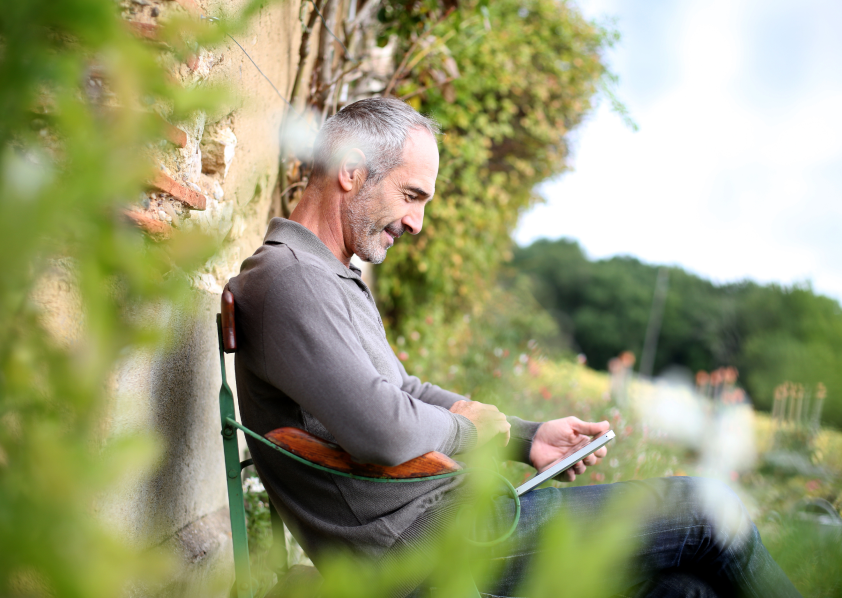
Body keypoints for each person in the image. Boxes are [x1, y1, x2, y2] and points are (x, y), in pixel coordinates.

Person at [227, 97, 801, 597]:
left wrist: (527, 438)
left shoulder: (326, 276)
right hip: (419, 551)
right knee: (705, 509)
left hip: (441, 523)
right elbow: (383, 429)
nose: (418, 221)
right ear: (351, 171)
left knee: (686, 590)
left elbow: (401, 391)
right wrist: (474, 431)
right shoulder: (290, 278)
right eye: (411, 194)